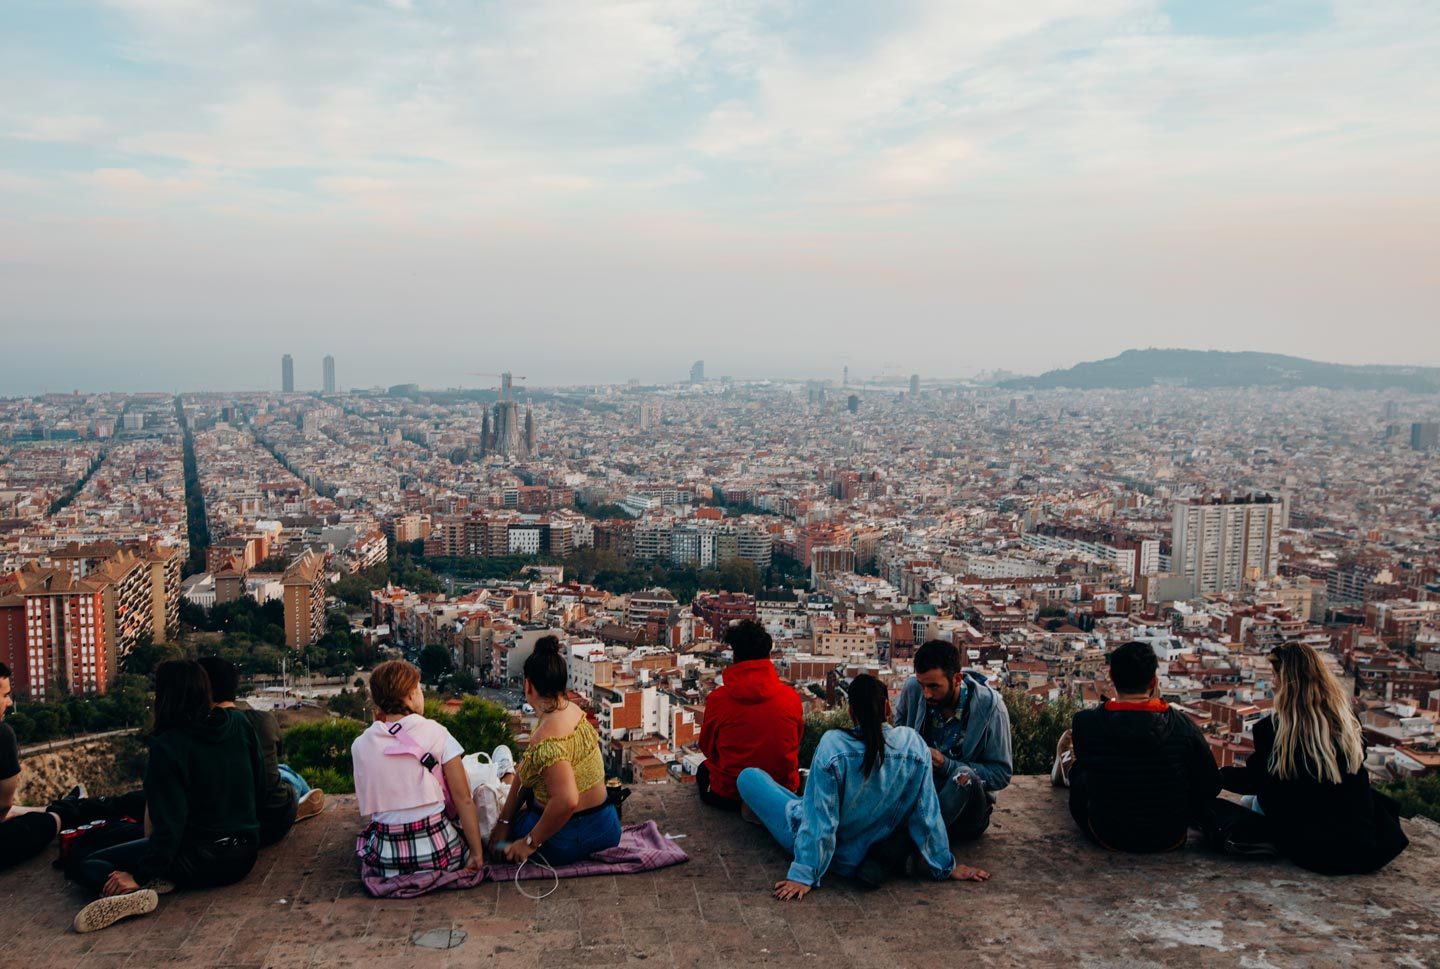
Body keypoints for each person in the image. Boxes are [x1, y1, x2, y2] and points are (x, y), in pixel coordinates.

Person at [738, 674, 990, 900]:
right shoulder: (912, 745)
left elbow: (820, 820)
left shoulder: (833, 746)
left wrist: (804, 874)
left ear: (851, 713)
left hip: (831, 855)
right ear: (887, 707)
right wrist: (944, 865)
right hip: (869, 850)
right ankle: (764, 812)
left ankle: (759, 814)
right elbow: (926, 814)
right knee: (796, 802)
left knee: (750, 777)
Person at [70, 660, 266, 933]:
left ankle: (133, 892)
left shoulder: (169, 745)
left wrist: (138, 874)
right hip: (245, 855)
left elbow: (169, 828)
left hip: (198, 859)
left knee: (88, 864)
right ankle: (159, 881)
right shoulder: (239, 723)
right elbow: (260, 784)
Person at [1218, 643, 1409, 874]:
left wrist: (1215, 775)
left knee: (1251, 801)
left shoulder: (1274, 730)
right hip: (1362, 846)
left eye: (1275, 676)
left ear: (1286, 681)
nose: (1273, 682)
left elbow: (1256, 780)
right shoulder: (1347, 722)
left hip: (1316, 851)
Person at [1058, 641, 1220, 852]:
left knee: (1080, 768)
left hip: (1108, 833)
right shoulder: (1183, 725)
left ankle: (1064, 764)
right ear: (1153, 681)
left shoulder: (1086, 723)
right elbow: (1211, 784)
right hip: (1169, 836)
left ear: (1112, 678)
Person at [489, 636, 621, 866]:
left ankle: (504, 775)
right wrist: (505, 822)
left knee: (497, 841)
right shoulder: (576, 712)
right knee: (525, 778)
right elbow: (530, 771)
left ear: (528, 685)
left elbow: (567, 799)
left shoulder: (546, 740)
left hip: (562, 841)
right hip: (606, 829)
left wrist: (528, 842)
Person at [352, 660, 485, 878]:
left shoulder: (360, 745)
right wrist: (477, 854)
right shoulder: (437, 733)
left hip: (387, 860)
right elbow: (464, 799)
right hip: (440, 854)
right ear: (412, 695)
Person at [197, 656, 325, 845]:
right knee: (285, 772)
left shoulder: (196, 730)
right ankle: (302, 798)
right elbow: (278, 751)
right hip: (276, 818)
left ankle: (302, 798)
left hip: (235, 830)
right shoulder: (263, 719)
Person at [893, 640, 1012, 840]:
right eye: (922, 684)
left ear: (957, 679)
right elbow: (898, 742)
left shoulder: (991, 709)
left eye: (934, 686)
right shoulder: (913, 690)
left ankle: (917, 843)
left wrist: (947, 766)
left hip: (966, 812)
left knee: (962, 777)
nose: (926, 694)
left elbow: (1000, 774)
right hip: (921, 796)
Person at [696, 620, 804, 811]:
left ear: (735, 656)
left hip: (731, 795)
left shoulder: (718, 700)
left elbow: (707, 748)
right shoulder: (791, 698)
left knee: (703, 770)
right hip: (781, 793)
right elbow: (796, 741)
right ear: (768, 655)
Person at [0, 662, 67, 872]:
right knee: (49, 821)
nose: (9, 702)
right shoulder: (2, 735)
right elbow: (3, 805)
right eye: (4, 695)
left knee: (21, 813)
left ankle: (57, 807)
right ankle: (62, 811)